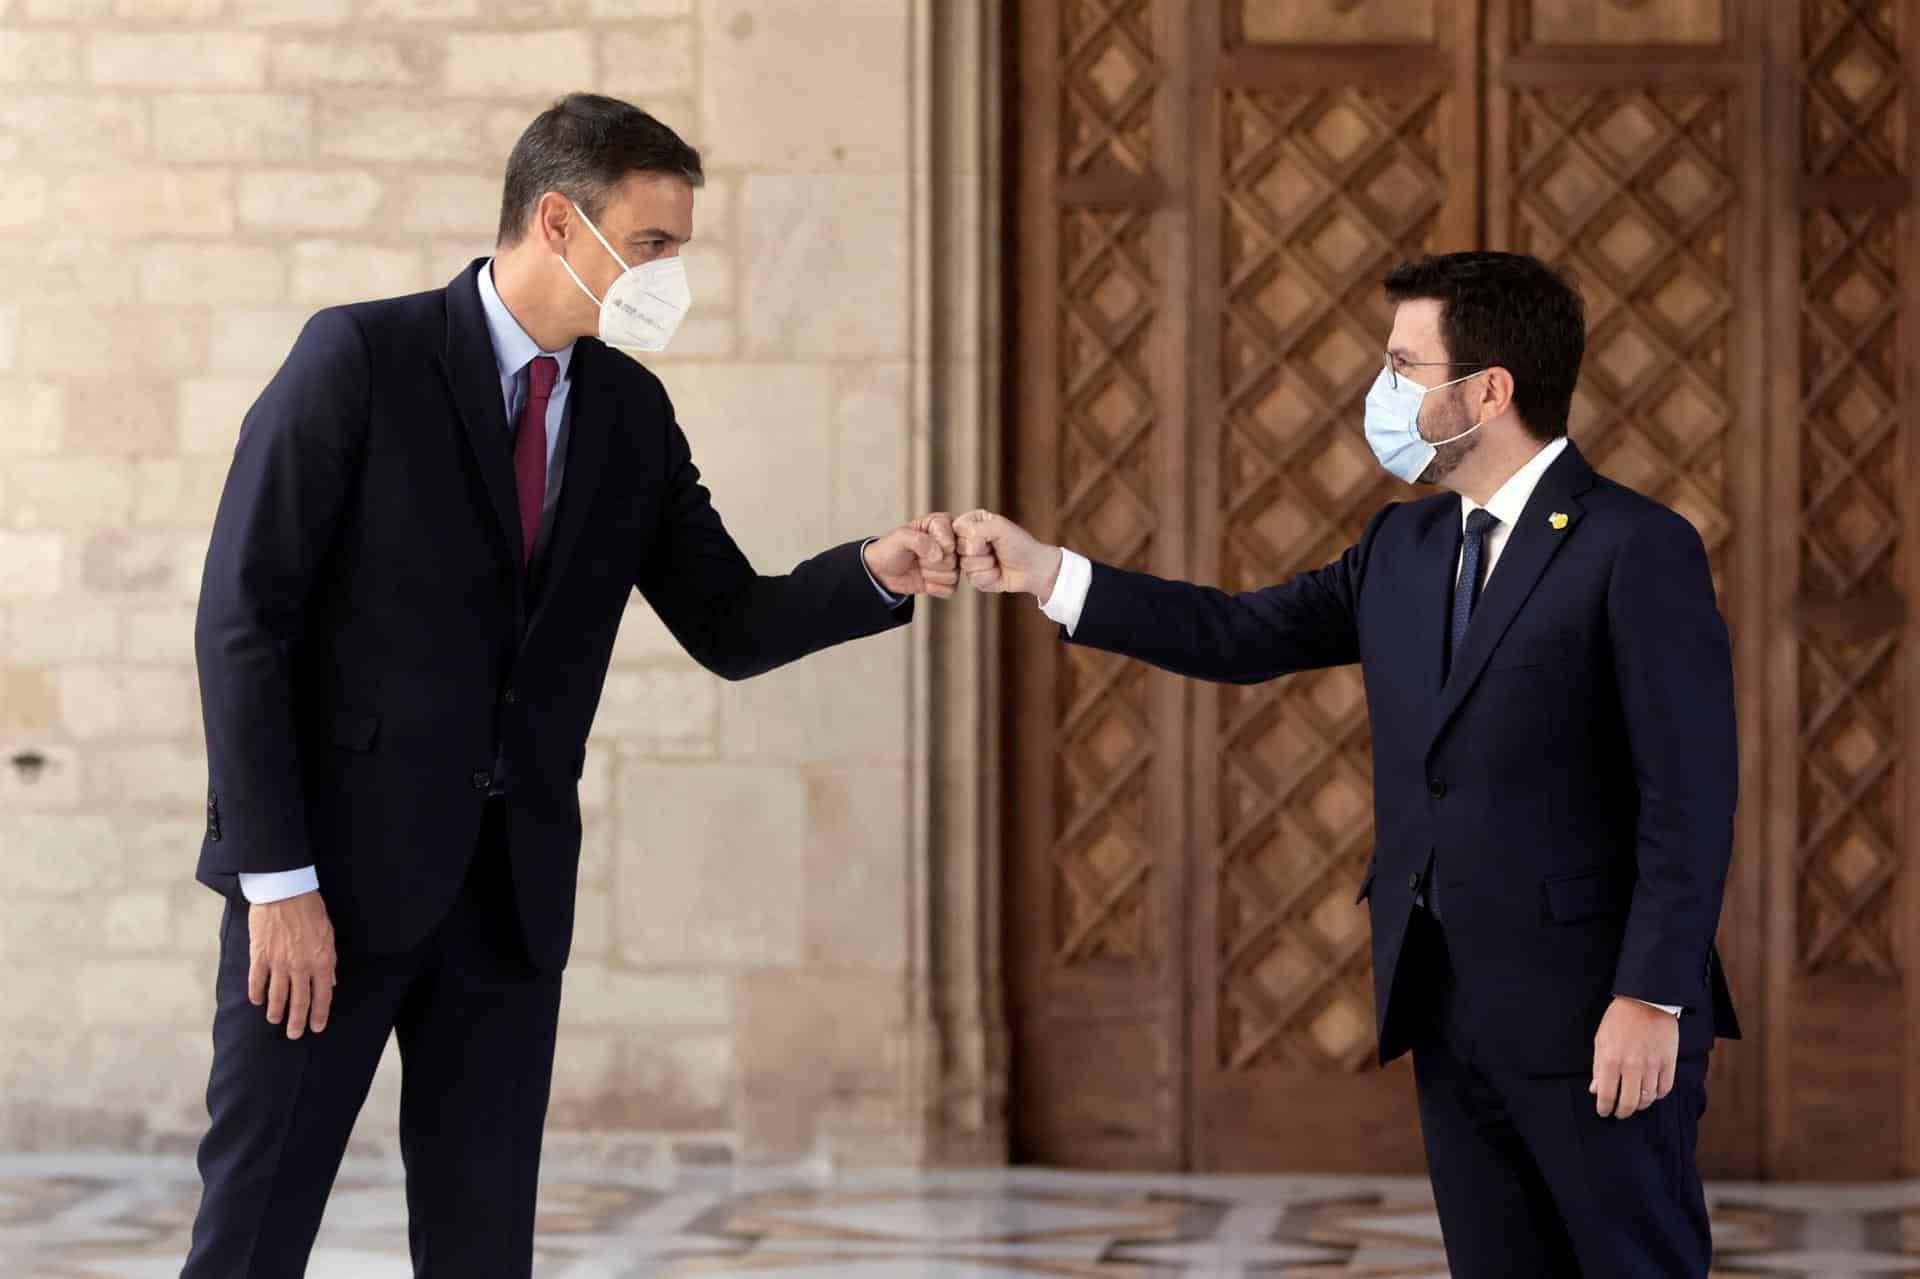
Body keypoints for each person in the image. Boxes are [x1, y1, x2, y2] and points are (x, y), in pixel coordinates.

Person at [184, 93, 959, 1278]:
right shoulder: (359, 358)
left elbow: (728, 619)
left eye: (679, 251)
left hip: (507, 902)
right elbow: (243, 625)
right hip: (324, 895)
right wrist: (276, 881)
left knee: (486, 1250)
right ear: (558, 222)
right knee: (251, 1239)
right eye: (653, 246)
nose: (670, 277)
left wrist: (873, 574)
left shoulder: (630, 415)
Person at [956, 251, 1741, 1277]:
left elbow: (1688, 795)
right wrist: (1047, 573)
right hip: (1446, 999)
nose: (1383, 392)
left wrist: (1651, 997)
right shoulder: (1403, 546)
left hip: (1596, 1012)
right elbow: (1239, 635)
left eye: (1404, 366)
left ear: (1488, 389)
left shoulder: (1637, 546)